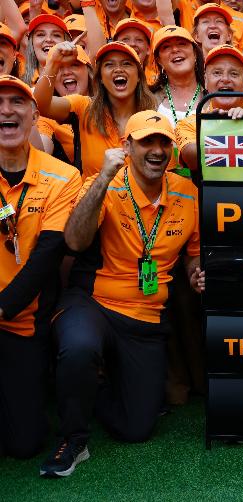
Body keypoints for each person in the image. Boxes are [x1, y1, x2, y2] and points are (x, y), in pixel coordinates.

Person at [39, 110, 202, 478]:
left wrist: (196, 276)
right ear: (127, 146)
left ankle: (103, 385)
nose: (156, 151)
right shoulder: (102, 182)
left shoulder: (187, 192)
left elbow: (193, 257)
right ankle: (73, 439)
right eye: (146, 142)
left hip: (145, 318)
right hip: (94, 303)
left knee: (136, 429)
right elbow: (74, 240)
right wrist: (103, 180)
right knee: (79, 346)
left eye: (163, 142)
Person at [0, 75, 81, 460]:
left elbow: (48, 253)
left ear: (34, 114)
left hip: (20, 322)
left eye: (17, 102)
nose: (6, 110)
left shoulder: (64, 175)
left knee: (24, 444)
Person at [34, 41, 157, 179]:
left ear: (139, 76)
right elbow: (40, 105)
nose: (118, 69)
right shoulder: (84, 107)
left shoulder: (154, 116)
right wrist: (53, 63)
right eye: (109, 64)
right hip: (93, 199)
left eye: (126, 63)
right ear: (101, 78)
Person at [34, 44, 93, 167]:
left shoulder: (110, 103)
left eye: (74, 65)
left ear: (89, 71)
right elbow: (39, 155)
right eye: (59, 68)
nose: (66, 72)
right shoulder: (46, 117)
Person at [150, 26, 205, 129]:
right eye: (166, 47)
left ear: (195, 53)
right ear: (159, 61)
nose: (175, 49)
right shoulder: (148, 100)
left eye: (182, 44)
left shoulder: (214, 96)